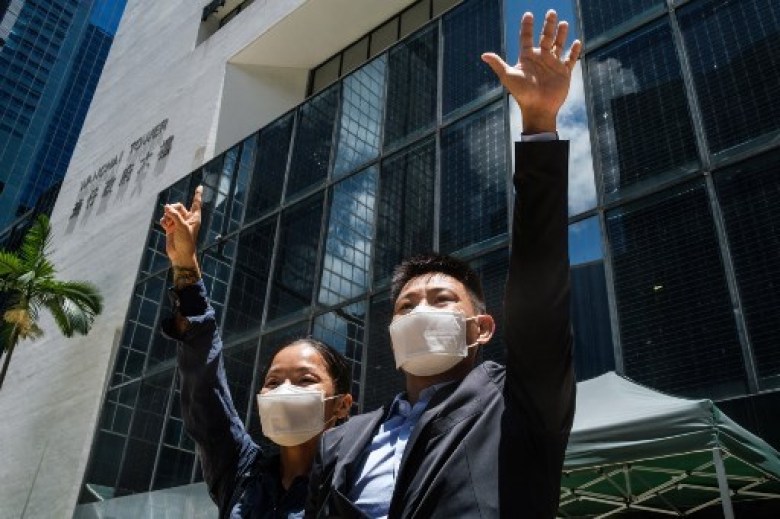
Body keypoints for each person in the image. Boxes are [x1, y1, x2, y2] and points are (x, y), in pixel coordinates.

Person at [305, 10, 580, 518]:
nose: (420, 310)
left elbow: (541, 303)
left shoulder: (518, 406)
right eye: (406, 304)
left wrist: (539, 128)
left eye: (440, 299)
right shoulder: (341, 442)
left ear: (481, 327)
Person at [160, 188, 354, 518]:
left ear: (341, 405)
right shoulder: (241, 472)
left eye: (305, 379)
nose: (285, 391)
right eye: (274, 382)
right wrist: (184, 265)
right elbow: (204, 388)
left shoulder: (356, 485)